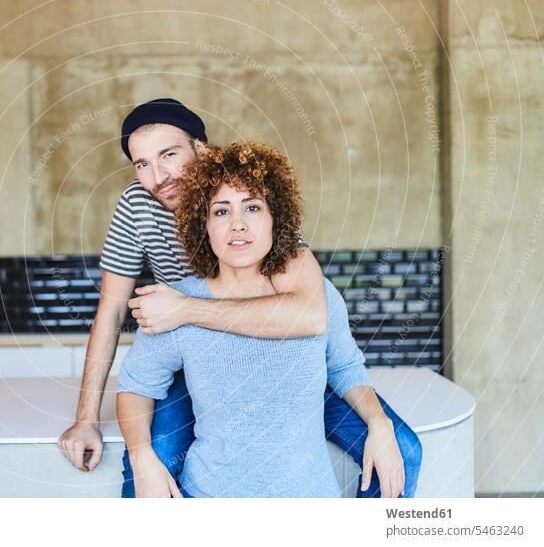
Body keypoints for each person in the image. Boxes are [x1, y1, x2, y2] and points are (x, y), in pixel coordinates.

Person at [58, 99, 422, 498]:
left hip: (281, 361)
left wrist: (184, 309)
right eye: (142, 164)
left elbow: (310, 314)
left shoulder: (246, 196)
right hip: (198, 362)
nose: (159, 177)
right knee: (152, 452)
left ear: (203, 149)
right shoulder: (137, 204)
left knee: (402, 448)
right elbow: (110, 312)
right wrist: (86, 418)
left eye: (169, 155)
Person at [117, 141, 402, 497]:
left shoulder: (318, 294)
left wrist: (380, 423)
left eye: (252, 207)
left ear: (275, 219)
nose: (237, 225)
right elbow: (135, 385)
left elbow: (345, 367)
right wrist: (141, 455)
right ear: (202, 224)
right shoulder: (178, 301)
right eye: (221, 212)